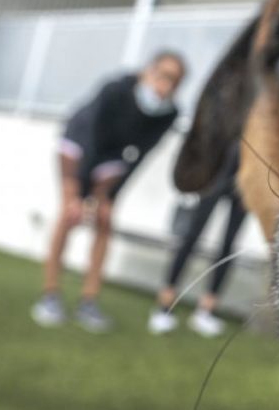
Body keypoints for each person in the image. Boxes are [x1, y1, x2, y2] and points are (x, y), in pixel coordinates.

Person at [31, 51, 185, 332]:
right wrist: (78, 195)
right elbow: (90, 137)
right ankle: (49, 296)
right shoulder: (114, 89)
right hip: (77, 145)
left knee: (104, 220)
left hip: (112, 158)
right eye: (163, 76)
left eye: (175, 82)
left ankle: (88, 302)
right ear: (148, 72)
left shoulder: (169, 114)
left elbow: (138, 158)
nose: (166, 86)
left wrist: (109, 198)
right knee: (70, 215)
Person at [148, 144, 246, 336]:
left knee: (229, 245)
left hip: (245, 178)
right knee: (191, 237)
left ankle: (206, 311)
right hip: (217, 171)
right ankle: (164, 307)